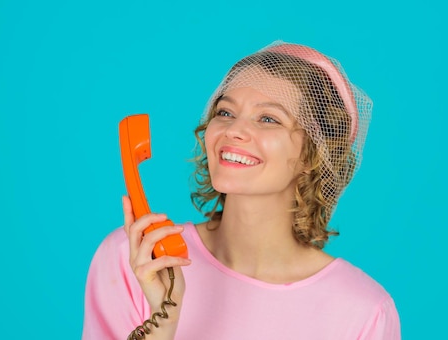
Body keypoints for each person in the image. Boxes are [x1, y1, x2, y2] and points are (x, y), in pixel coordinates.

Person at [82, 41, 401, 339]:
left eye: (268, 118)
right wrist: (163, 322)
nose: (234, 130)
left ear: (314, 154)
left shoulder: (364, 312)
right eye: (225, 112)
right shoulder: (136, 259)